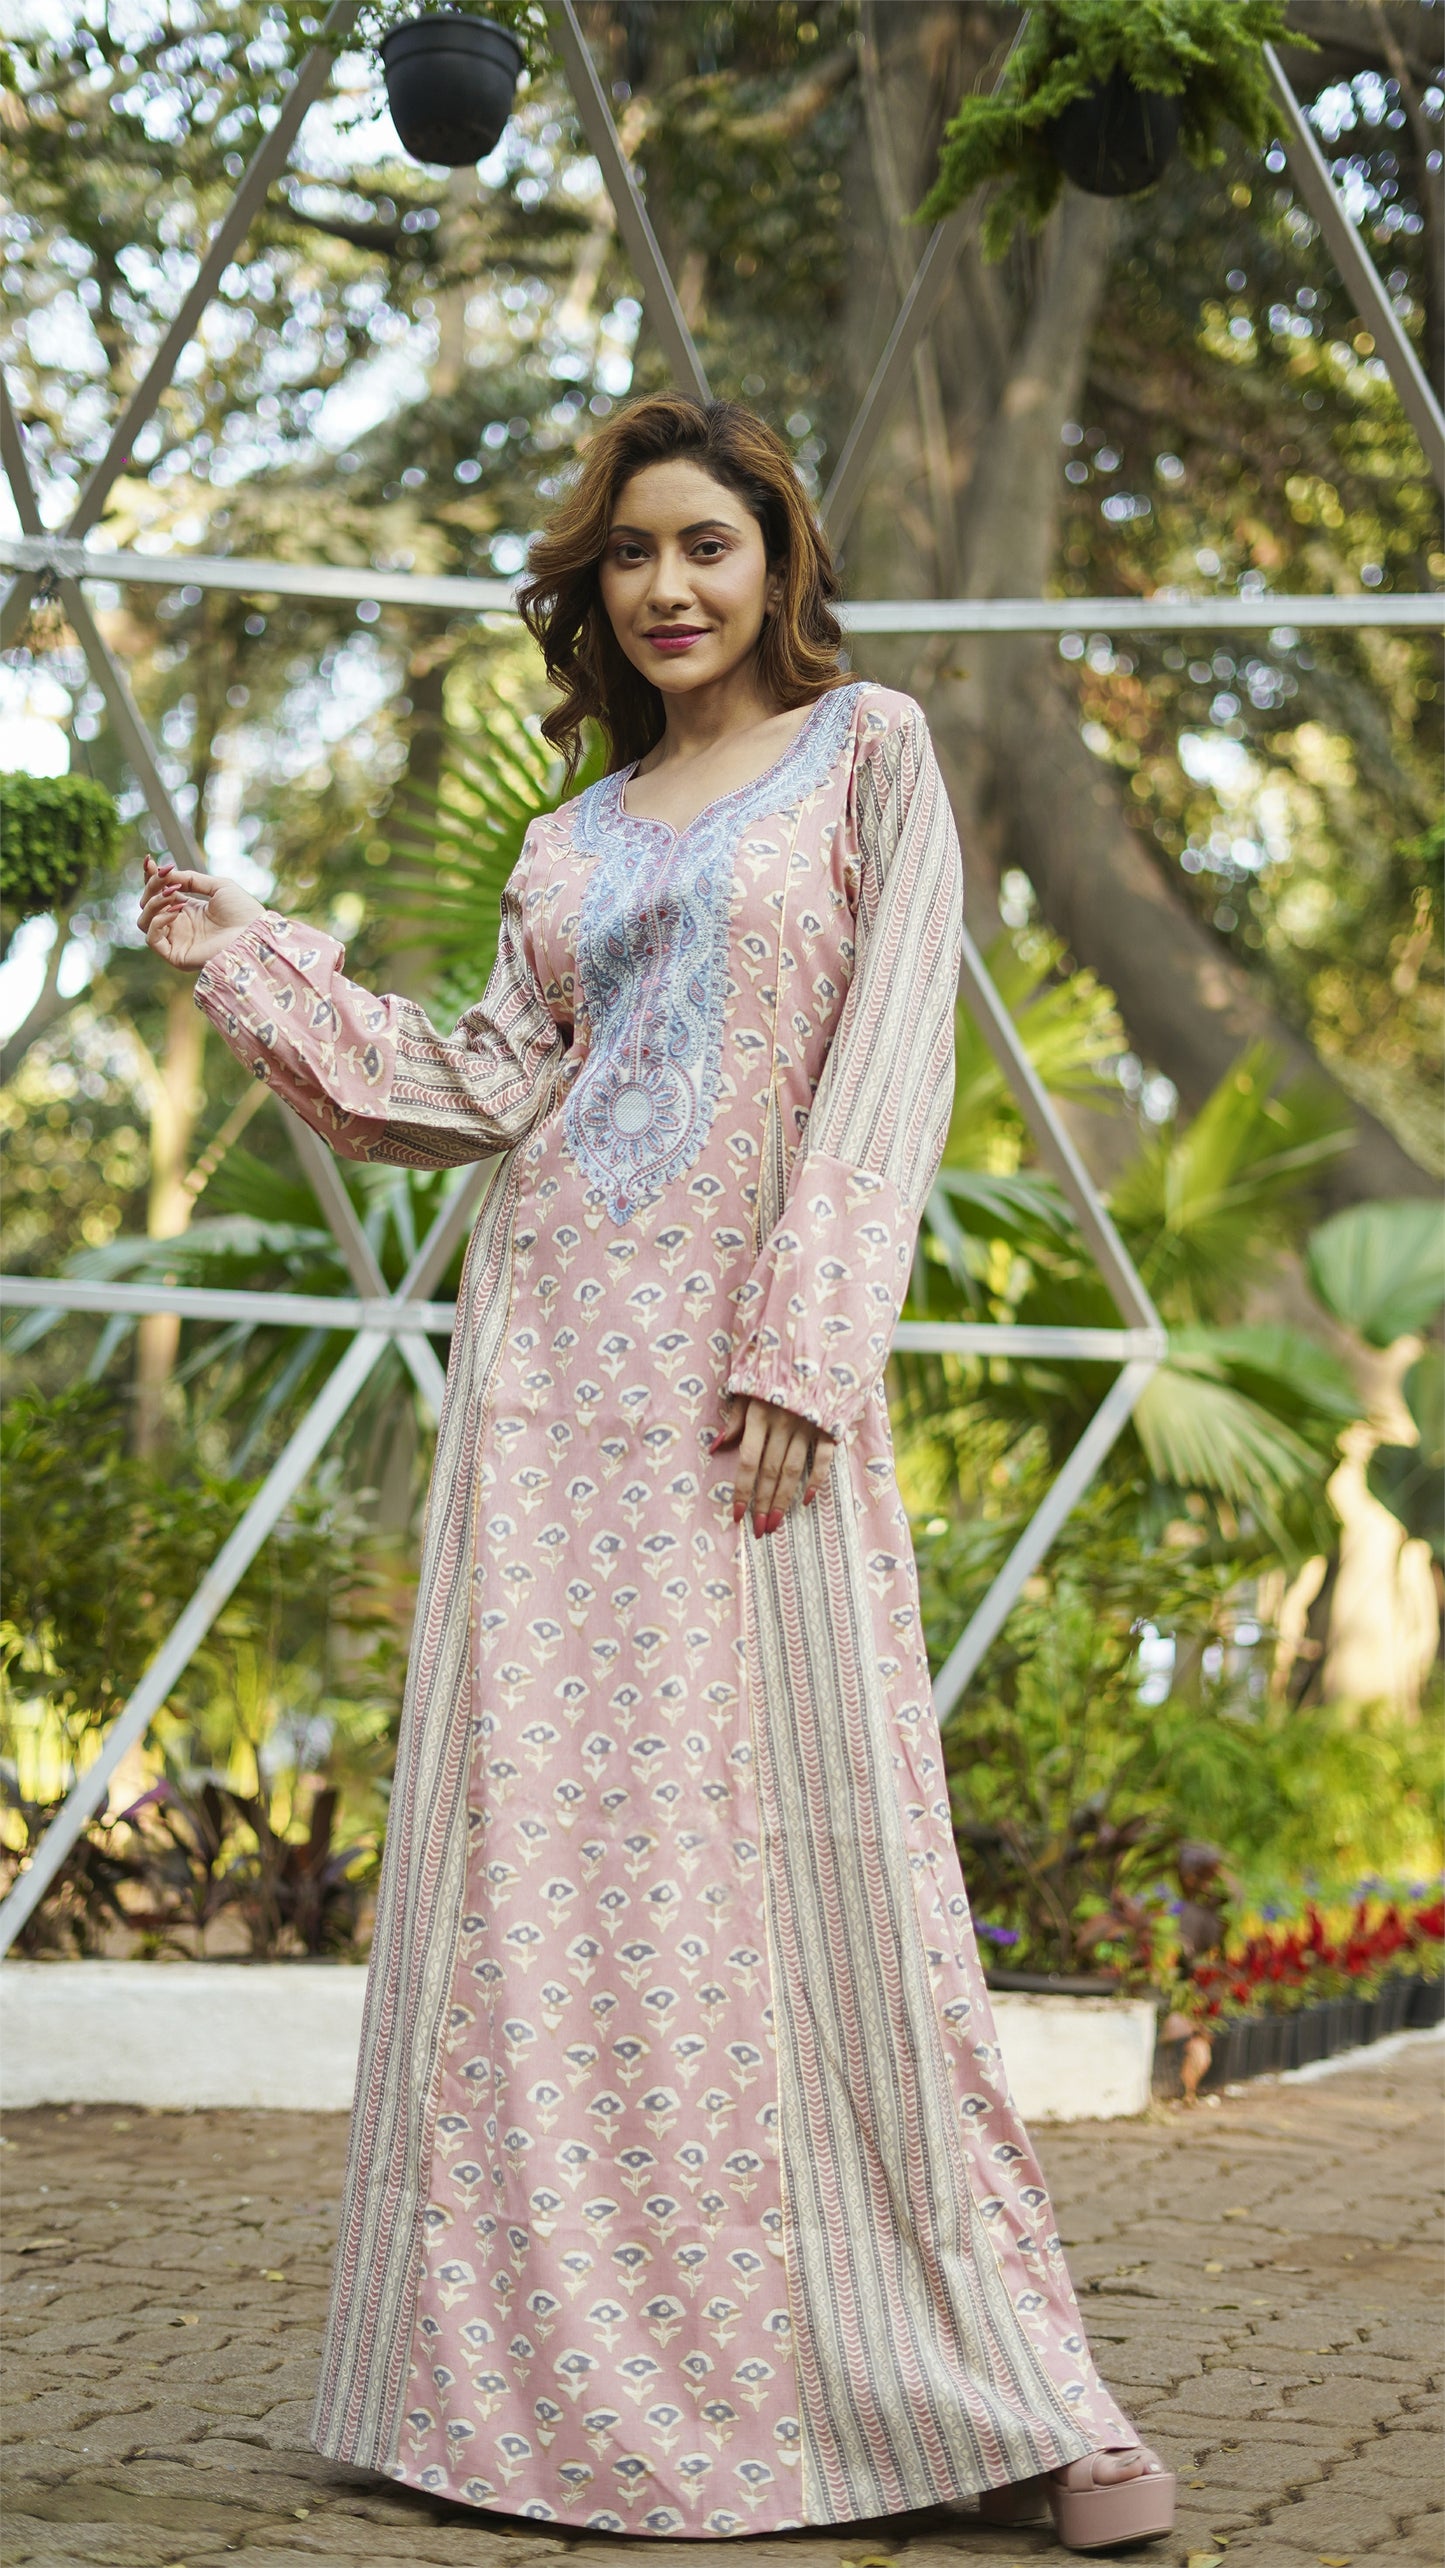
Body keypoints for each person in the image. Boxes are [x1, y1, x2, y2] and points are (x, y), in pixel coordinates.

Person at [140, 394, 1174, 2554]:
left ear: (778, 559)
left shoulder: (868, 753)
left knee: (828, 1858)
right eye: (629, 555)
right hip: (549, 1403)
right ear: (592, 590)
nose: (669, 586)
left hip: (746, 1396)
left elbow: (887, 1065)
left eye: (707, 543)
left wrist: (806, 1347)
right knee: (565, 1878)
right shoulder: (573, 842)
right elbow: (464, 1092)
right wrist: (250, 954)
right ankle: (540, 2394)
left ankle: (999, 2388)